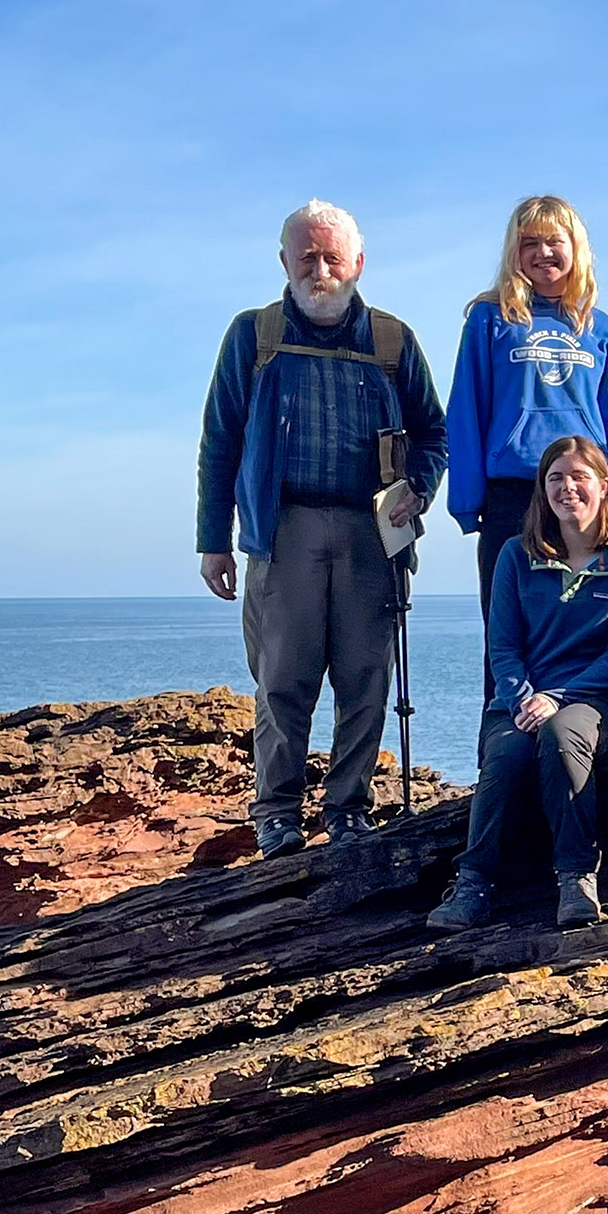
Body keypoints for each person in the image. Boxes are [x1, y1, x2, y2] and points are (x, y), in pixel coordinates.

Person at [197, 200, 447, 860]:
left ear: (358, 263)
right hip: (284, 532)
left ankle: (349, 810)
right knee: (284, 680)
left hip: (373, 533)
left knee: (366, 679)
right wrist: (213, 541)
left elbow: (434, 434)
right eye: (306, 256)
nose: (320, 269)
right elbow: (219, 442)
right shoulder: (254, 337)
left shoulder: (392, 341)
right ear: (284, 261)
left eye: (333, 257)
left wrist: (418, 489)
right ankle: (277, 814)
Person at [428, 436, 608, 932]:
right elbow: (503, 647)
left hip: (596, 701)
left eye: (579, 476)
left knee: (563, 735)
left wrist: (557, 698)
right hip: (517, 703)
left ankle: (576, 877)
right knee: (509, 753)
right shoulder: (515, 555)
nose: (567, 487)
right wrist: (521, 698)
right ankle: (472, 883)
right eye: (556, 477)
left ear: (604, 484)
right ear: (542, 490)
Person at [446, 196, 608, 697]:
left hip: (589, 498)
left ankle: (581, 750)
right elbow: (466, 413)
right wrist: (469, 502)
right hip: (513, 496)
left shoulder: (598, 327)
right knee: (507, 639)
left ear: (575, 248)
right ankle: (501, 759)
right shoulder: (489, 320)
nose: (543, 253)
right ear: (514, 251)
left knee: (586, 633)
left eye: (554, 241)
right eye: (529, 242)